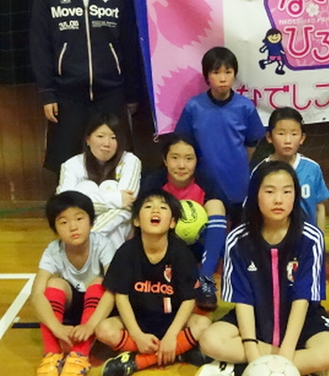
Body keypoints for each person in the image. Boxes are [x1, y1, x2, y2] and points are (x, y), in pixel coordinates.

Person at [196, 161, 329, 376]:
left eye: (287, 191)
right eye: (269, 191)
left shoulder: (310, 238)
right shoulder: (238, 240)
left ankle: (237, 367)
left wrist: (285, 355)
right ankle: (297, 368)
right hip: (253, 319)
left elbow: (302, 299)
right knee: (210, 340)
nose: (278, 200)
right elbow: (243, 301)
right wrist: (254, 356)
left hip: (300, 319)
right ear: (256, 195)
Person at [29, 0, 138, 174]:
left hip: (111, 92)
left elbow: (129, 45)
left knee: (116, 159)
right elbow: (40, 46)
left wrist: (132, 92)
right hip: (67, 94)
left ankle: (114, 208)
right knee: (66, 161)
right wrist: (47, 92)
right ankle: (70, 209)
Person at [95, 190, 211, 376]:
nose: (155, 210)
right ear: (137, 221)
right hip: (137, 321)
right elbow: (121, 297)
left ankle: (139, 361)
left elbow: (189, 299)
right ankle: (177, 353)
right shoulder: (126, 252)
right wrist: (137, 335)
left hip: (172, 321)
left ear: (172, 222)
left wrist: (172, 335)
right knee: (104, 330)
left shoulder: (181, 253)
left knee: (203, 325)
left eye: (163, 207)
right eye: (148, 206)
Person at [175, 46, 265, 227]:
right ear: (207, 75)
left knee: (239, 228)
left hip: (237, 182)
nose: (223, 78)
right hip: (204, 181)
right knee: (207, 229)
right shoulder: (194, 107)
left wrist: (238, 163)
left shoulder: (245, 107)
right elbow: (182, 142)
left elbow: (252, 142)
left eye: (228, 72)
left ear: (235, 74)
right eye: (216, 72)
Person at [31, 191, 115, 376]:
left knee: (101, 282)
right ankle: (52, 354)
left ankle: (80, 355)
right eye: (63, 222)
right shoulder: (53, 250)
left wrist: (91, 326)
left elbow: (114, 291)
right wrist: (56, 327)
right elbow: (36, 295)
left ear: (91, 222)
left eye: (79, 218)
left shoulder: (103, 245)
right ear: (55, 228)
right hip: (69, 309)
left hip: (97, 311)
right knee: (54, 284)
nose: (73, 227)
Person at [140, 133, 227, 311]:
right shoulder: (155, 183)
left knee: (217, 205)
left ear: (197, 161)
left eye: (189, 159)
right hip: (165, 247)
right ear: (165, 160)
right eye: (175, 158)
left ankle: (206, 280)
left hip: (198, 248)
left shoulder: (206, 182)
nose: (181, 165)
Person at [57, 112, 141, 248]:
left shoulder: (130, 161)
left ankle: (109, 263)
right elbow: (64, 205)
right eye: (100, 136)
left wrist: (89, 234)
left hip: (95, 234)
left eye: (113, 138)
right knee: (86, 187)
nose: (106, 143)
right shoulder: (71, 165)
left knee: (110, 186)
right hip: (78, 229)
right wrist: (116, 200)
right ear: (88, 139)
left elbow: (127, 207)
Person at [252, 107, 329, 231]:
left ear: (302, 138)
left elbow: (319, 208)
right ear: (269, 137)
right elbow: (253, 209)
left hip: (306, 240)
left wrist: (320, 241)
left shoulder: (312, 168)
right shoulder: (260, 171)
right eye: (281, 134)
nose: (288, 141)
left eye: (294, 134)